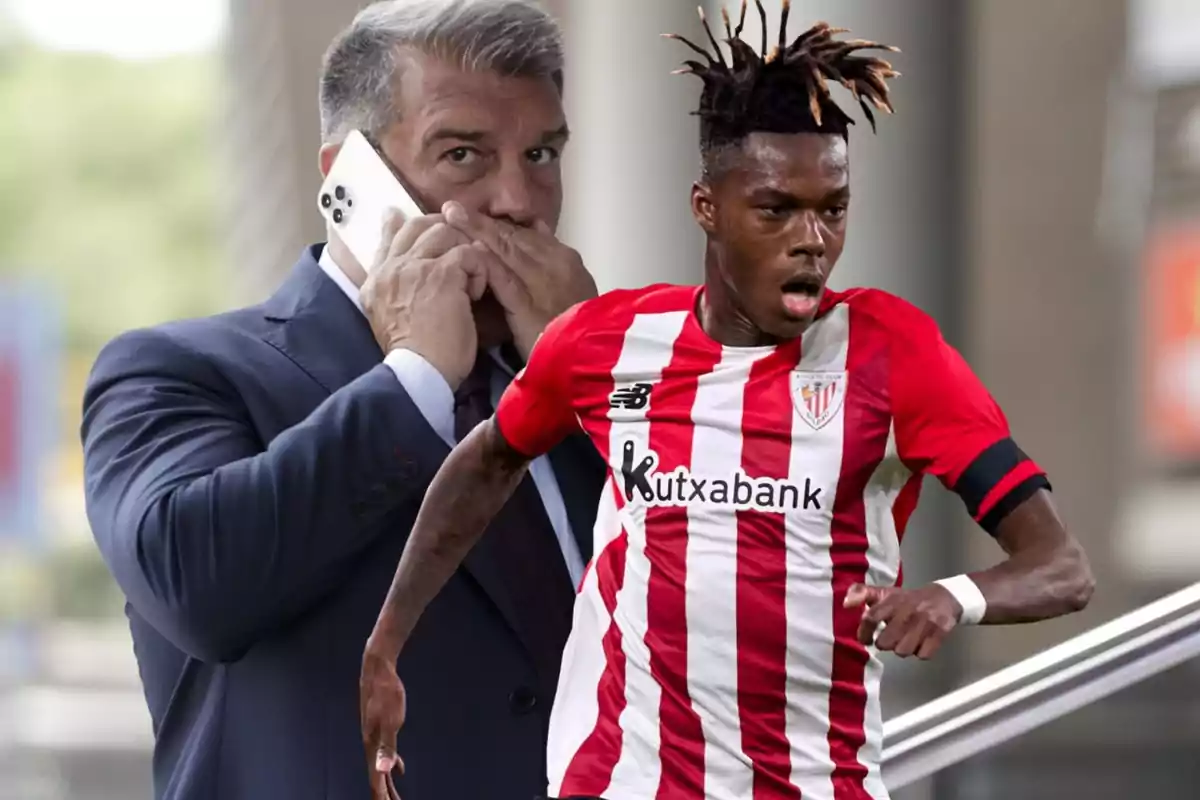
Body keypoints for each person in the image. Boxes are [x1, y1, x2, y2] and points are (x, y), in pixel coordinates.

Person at [359, 3, 1097, 800]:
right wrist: (387, 642)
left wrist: (954, 598)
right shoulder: (606, 341)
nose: (811, 238)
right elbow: (490, 459)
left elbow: (1061, 567)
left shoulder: (892, 355)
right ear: (707, 208)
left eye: (833, 208)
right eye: (776, 210)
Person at [80, 1, 601, 798]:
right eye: (463, 154)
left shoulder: (598, 396)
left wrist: (602, 391)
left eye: (540, 153)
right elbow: (199, 586)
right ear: (348, 182)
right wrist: (415, 380)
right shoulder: (177, 371)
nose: (520, 201)